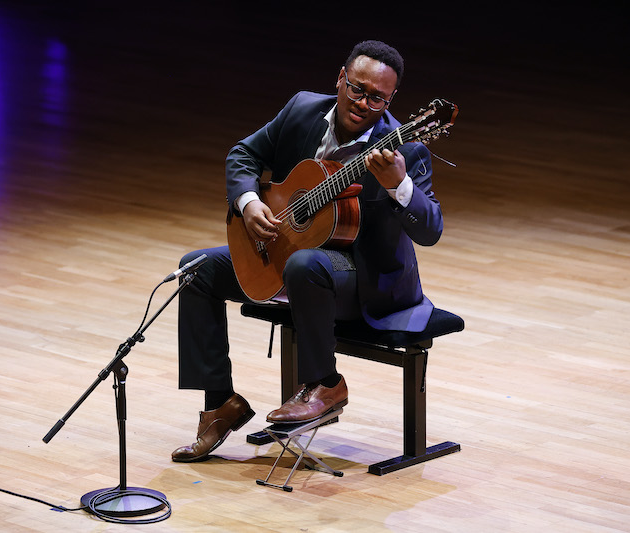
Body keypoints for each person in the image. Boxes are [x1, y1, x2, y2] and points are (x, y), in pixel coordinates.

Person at [172, 40, 443, 462]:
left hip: (366, 279)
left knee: (306, 263)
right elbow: (243, 153)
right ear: (340, 78)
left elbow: (431, 229)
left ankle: (325, 384)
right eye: (356, 89)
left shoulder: (405, 150)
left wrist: (397, 185)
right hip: (298, 256)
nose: (363, 103)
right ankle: (220, 404)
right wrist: (250, 204)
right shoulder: (302, 108)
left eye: (377, 98)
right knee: (197, 267)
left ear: (392, 100)